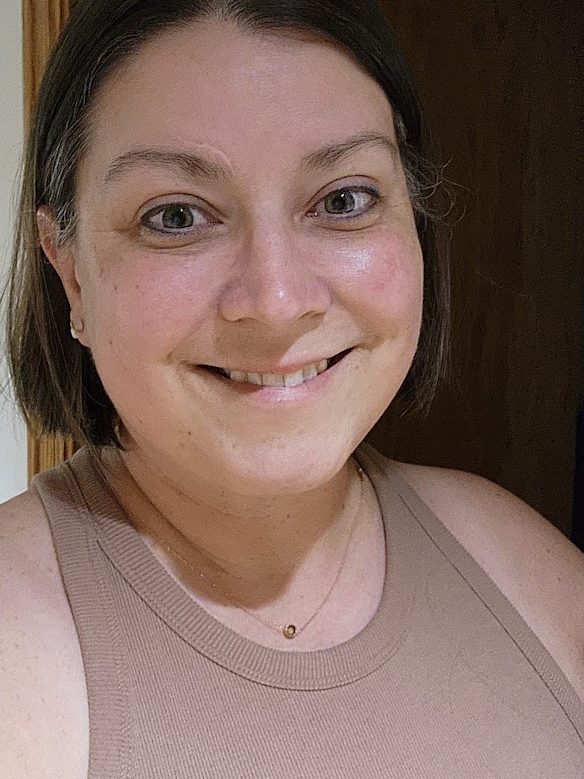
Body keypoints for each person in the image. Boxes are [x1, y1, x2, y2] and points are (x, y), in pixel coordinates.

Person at [1, 1, 583, 776]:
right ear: (70, 272)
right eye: (176, 216)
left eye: (343, 200)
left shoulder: (523, 559)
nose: (276, 303)